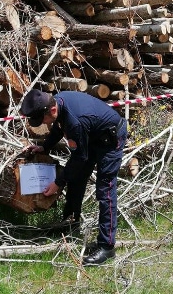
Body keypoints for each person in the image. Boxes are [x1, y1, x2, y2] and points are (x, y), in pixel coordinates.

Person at [20, 89, 126, 266]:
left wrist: (58, 182)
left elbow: (79, 158)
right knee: (76, 179)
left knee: (105, 190)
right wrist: (45, 147)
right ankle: (70, 223)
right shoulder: (58, 104)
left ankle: (107, 247)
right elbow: (58, 127)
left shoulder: (75, 121)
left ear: (52, 110)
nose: (43, 124)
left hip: (111, 138)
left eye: (42, 119)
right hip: (93, 134)